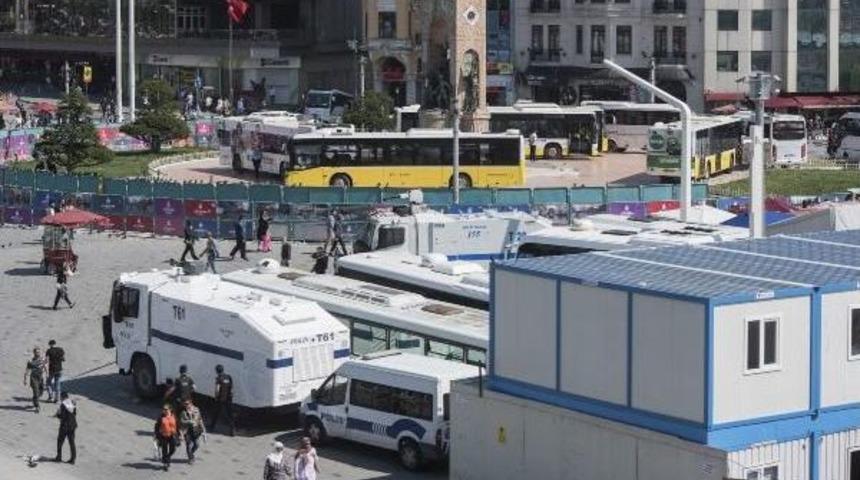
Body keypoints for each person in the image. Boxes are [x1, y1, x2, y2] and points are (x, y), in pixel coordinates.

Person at [209, 364, 236, 436]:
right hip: (228, 398)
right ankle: (232, 430)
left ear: (217, 371)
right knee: (230, 414)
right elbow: (232, 389)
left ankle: (211, 427)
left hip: (220, 399)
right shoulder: (229, 377)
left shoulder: (219, 378)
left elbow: (217, 389)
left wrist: (216, 396)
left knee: (216, 413)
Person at [179, 399, 205, 464]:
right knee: (188, 445)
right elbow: (181, 421)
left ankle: (191, 453)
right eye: (185, 404)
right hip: (187, 431)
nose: (186, 405)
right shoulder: (183, 412)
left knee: (197, 444)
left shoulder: (196, 410)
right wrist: (188, 422)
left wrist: (204, 431)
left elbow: (200, 420)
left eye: (187, 404)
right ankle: (191, 458)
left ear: (191, 403)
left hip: (196, 430)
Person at [54, 392, 77, 464]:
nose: (60, 399)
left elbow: (62, 416)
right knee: (72, 442)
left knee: (60, 442)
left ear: (63, 397)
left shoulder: (63, 404)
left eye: (61, 397)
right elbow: (75, 413)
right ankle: (73, 459)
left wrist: (57, 415)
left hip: (65, 426)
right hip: (72, 425)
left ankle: (59, 457)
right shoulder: (72, 403)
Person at [154, 405, 178, 471]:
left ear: (170, 409)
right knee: (164, 450)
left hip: (172, 435)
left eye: (166, 409)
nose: (164, 410)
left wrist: (180, 434)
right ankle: (166, 464)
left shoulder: (174, 416)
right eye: (164, 409)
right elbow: (157, 426)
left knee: (173, 449)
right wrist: (156, 435)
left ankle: (167, 457)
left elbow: (177, 425)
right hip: (163, 436)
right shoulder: (161, 417)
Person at [24, 347, 47, 413]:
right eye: (37, 352)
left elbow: (45, 366)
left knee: (41, 391)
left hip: (40, 378)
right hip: (33, 378)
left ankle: (35, 399)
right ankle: (37, 406)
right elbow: (27, 370)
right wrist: (25, 379)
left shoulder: (42, 359)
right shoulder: (31, 361)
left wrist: (47, 374)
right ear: (34, 353)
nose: (38, 353)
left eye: (39, 352)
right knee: (36, 392)